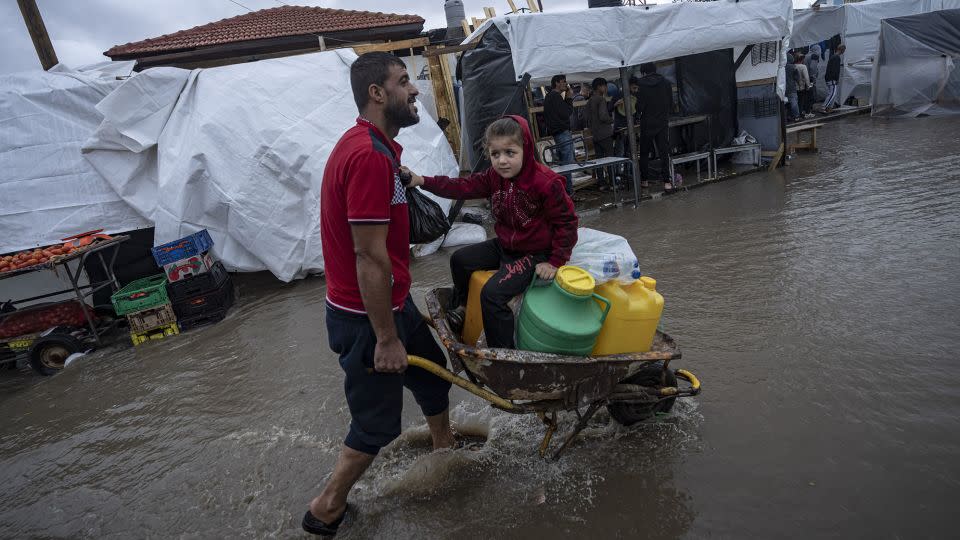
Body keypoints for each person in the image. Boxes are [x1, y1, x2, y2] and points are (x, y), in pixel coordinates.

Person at [306, 52, 455, 537]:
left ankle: (444, 451)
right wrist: (386, 338)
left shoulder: (375, 147)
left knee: (434, 380)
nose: (414, 91)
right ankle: (325, 508)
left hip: (389, 304)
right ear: (377, 93)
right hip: (367, 317)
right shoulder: (369, 157)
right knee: (376, 425)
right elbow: (369, 258)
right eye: (404, 81)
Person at [403, 115, 579, 349]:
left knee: (492, 294)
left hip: (536, 253)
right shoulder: (494, 178)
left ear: (525, 148)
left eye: (510, 152)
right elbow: (462, 186)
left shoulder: (546, 182)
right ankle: (463, 309)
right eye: (495, 154)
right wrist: (421, 180)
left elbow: (567, 222)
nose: (502, 161)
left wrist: (556, 261)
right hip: (506, 245)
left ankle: (504, 355)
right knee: (460, 260)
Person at [634, 63, 674, 191]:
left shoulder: (640, 84)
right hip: (662, 122)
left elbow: (640, 106)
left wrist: (637, 110)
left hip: (647, 123)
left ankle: (644, 180)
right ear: (655, 70)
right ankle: (667, 182)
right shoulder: (666, 83)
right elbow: (671, 103)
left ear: (644, 72)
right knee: (663, 152)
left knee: (644, 152)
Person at [543, 74, 576, 195]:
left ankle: (565, 191)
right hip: (562, 132)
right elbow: (566, 112)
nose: (566, 84)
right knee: (567, 163)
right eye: (563, 81)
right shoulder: (555, 97)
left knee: (563, 163)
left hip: (558, 133)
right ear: (556, 83)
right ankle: (568, 192)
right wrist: (568, 98)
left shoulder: (549, 97)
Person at [586, 77, 615, 191]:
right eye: (605, 86)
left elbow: (585, 118)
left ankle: (602, 183)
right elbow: (603, 116)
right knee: (610, 159)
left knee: (599, 160)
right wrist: (612, 120)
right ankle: (613, 183)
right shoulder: (601, 99)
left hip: (595, 135)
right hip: (605, 134)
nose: (606, 88)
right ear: (599, 87)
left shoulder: (590, 100)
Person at [823, 44, 846, 112]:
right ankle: (824, 106)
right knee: (832, 94)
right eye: (844, 50)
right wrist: (836, 79)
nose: (844, 52)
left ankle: (829, 108)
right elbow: (835, 70)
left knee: (832, 93)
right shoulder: (837, 57)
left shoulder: (833, 56)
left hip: (829, 78)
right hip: (832, 78)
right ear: (842, 50)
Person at [785, 53, 801, 122]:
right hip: (792, 87)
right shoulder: (793, 67)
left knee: (787, 103)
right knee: (794, 102)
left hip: (783, 88)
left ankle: (788, 116)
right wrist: (799, 84)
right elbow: (797, 78)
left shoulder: (781, 67)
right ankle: (796, 116)